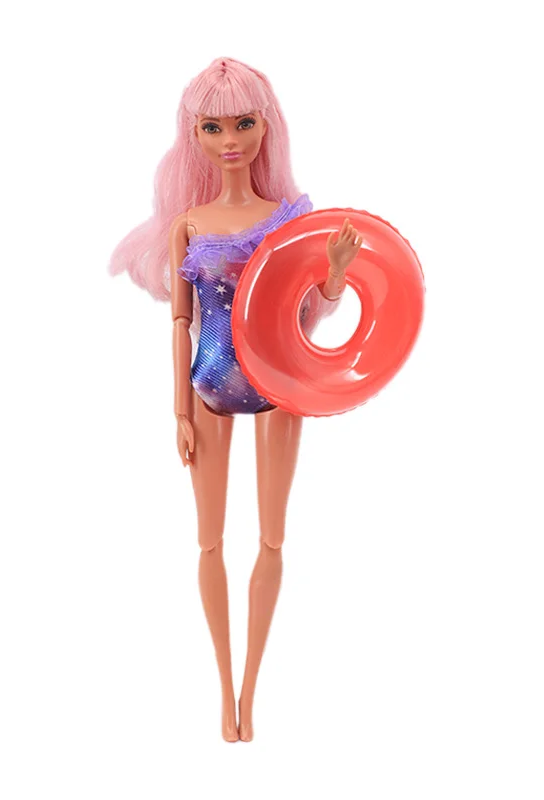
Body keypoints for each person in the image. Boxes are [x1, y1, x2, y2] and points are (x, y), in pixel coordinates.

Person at [109, 56, 362, 742]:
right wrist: (177, 410)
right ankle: (226, 693)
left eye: (244, 123)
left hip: (280, 383)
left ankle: (253, 686)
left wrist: (336, 273)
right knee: (210, 540)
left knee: (272, 536)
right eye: (213, 126)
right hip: (209, 386)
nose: (230, 140)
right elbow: (181, 322)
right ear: (193, 134)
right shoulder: (188, 224)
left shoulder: (289, 219)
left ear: (265, 126)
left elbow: (310, 304)